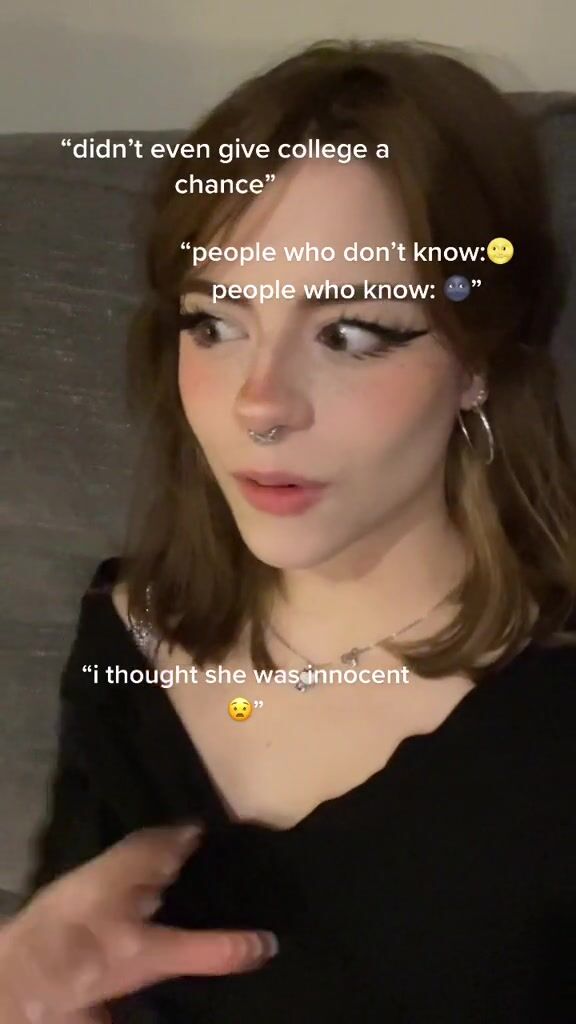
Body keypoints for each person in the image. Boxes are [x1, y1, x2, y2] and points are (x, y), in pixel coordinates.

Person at [6, 37, 576, 1023]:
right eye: (215, 324)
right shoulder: (126, 638)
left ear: (477, 360)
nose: (258, 404)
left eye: (350, 333)